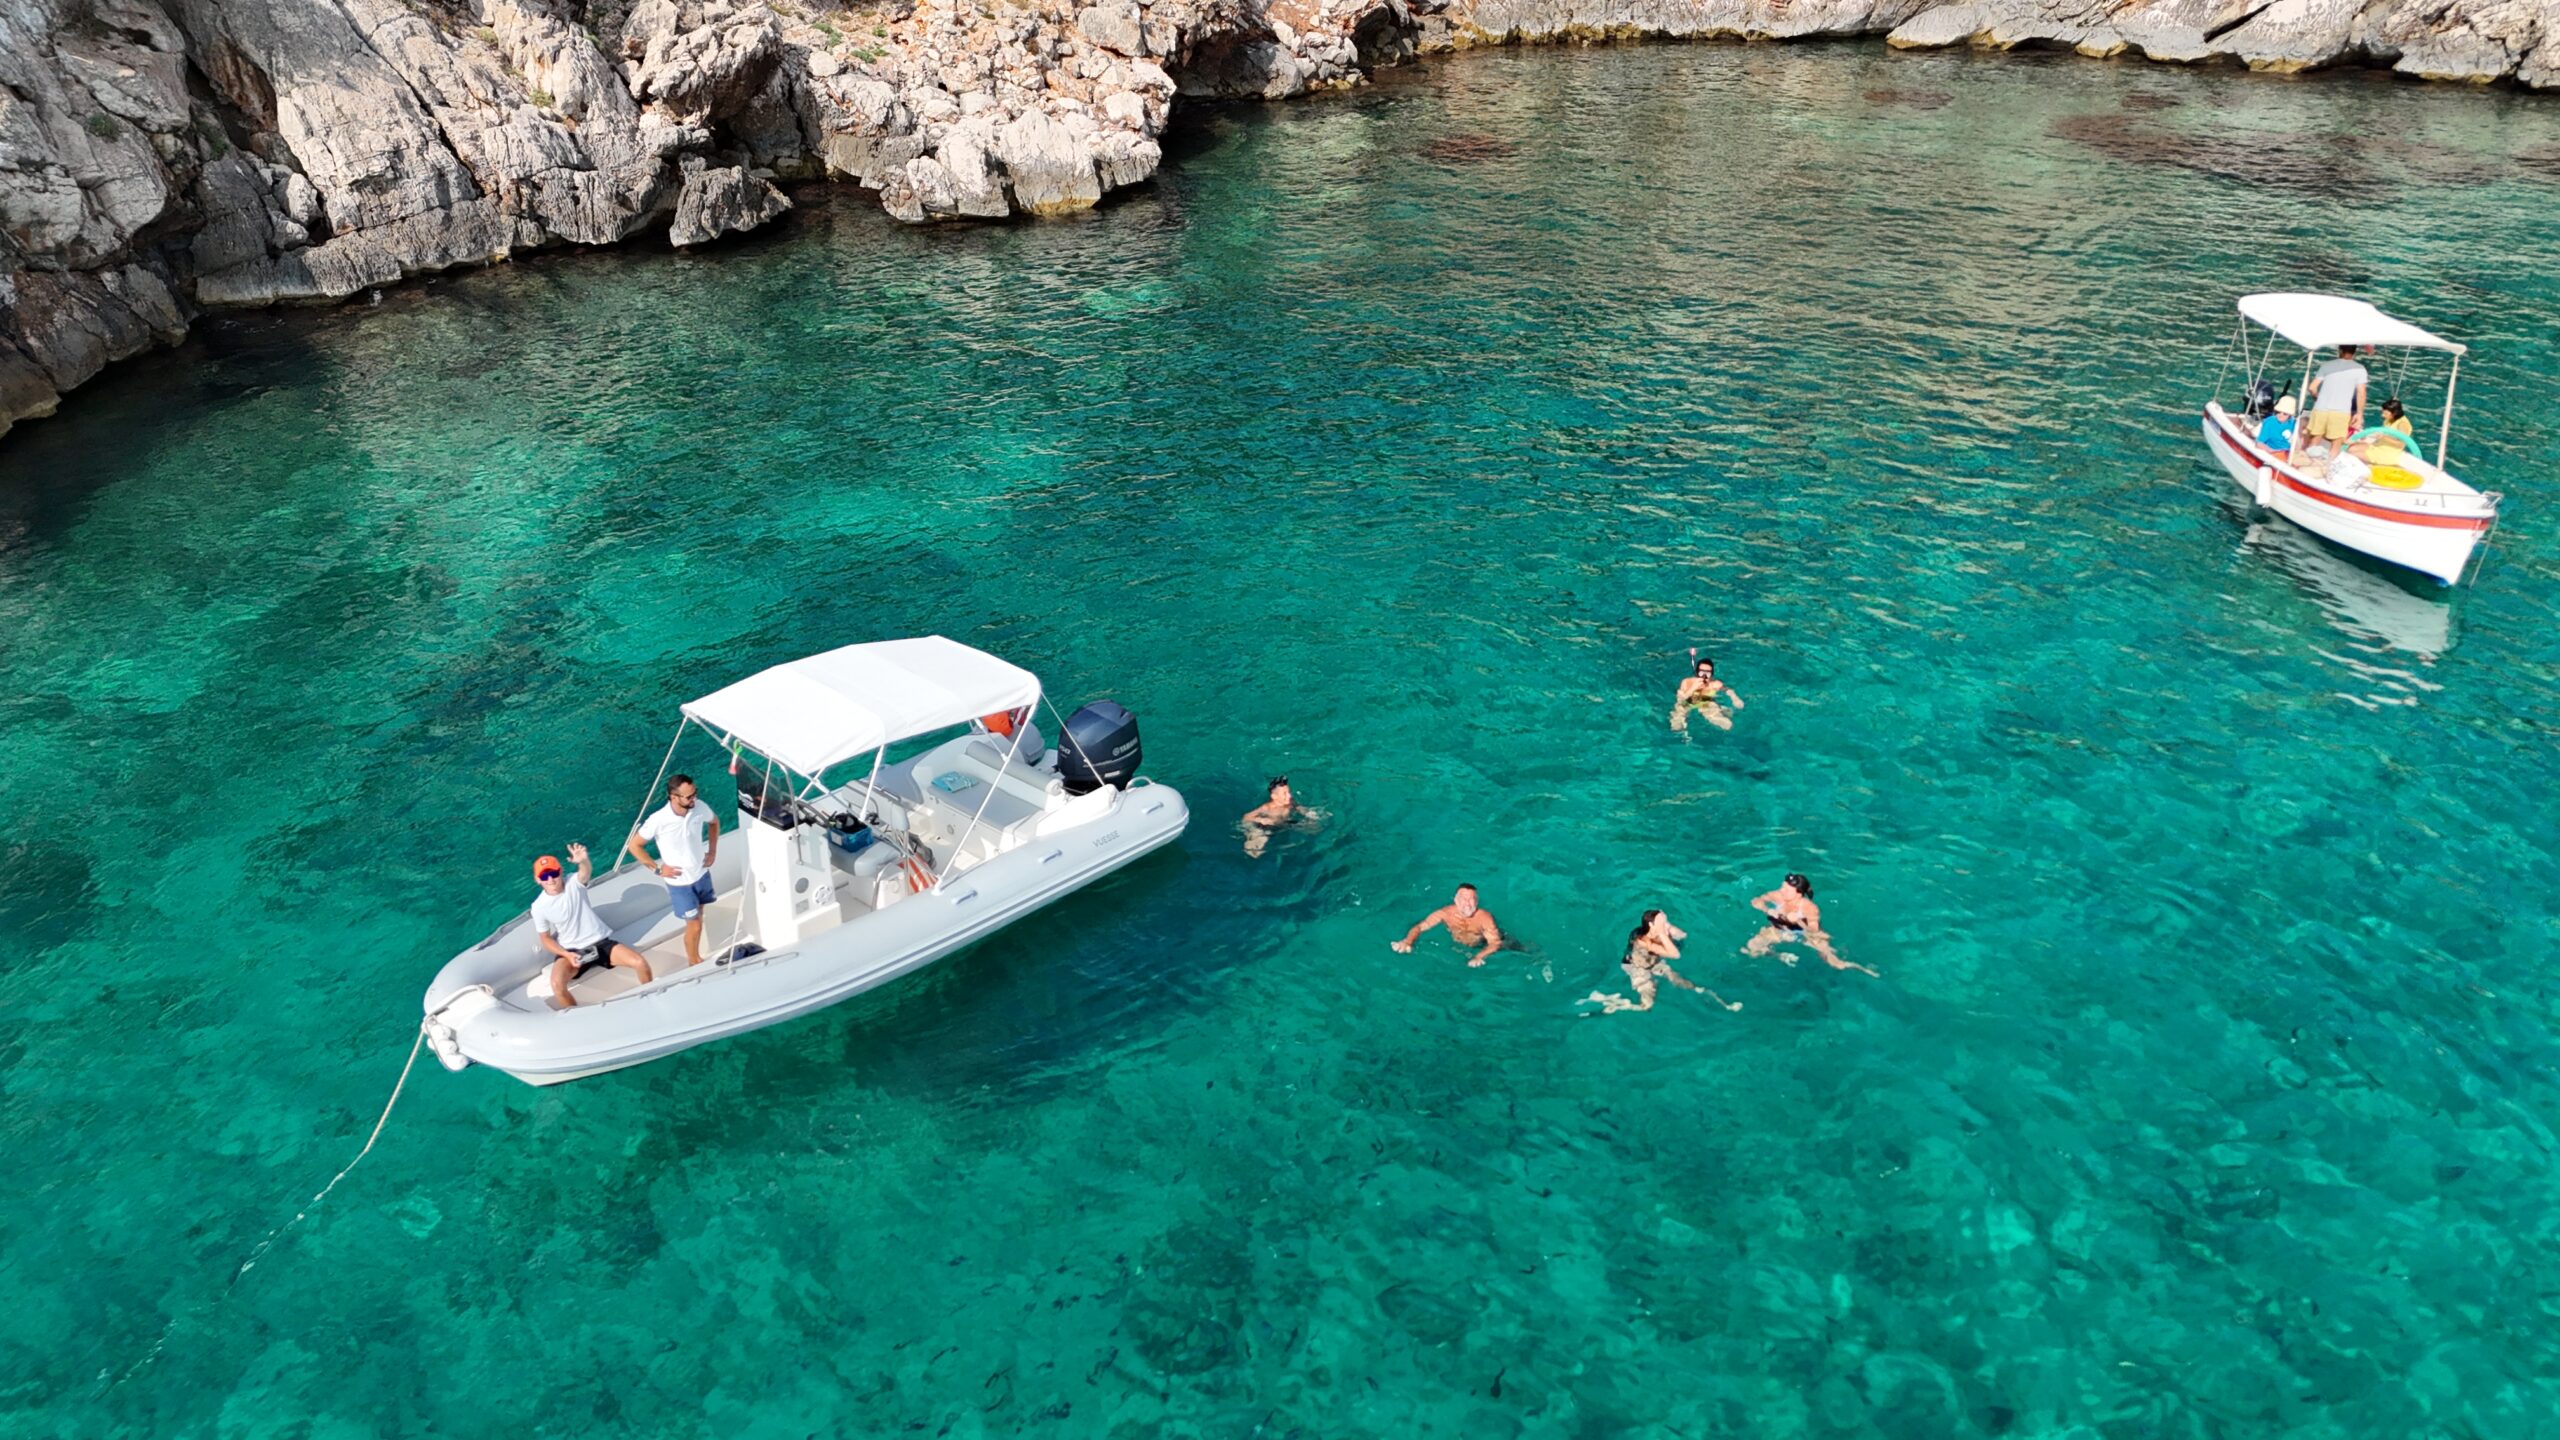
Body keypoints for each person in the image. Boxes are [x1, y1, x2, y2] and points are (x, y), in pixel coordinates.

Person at [530, 844, 651, 1009]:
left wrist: (583, 861)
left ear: (560, 872)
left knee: (640, 963)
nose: (550, 879)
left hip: (600, 943)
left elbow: (584, 873)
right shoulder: (538, 906)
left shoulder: (574, 882)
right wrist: (566, 954)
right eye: (544, 876)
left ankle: (650, 998)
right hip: (571, 951)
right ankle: (578, 1018)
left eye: (553, 873)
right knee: (557, 985)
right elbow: (544, 937)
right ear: (538, 880)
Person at [627, 773, 720, 967]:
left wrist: (712, 851)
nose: (693, 798)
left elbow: (714, 822)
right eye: (688, 796)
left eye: (695, 793)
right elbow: (634, 846)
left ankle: (695, 957)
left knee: (699, 916)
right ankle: (694, 961)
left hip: (701, 874)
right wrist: (658, 869)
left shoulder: (699, 807)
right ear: (673, 797)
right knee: (693, 924)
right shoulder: (658, 819)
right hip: (680, 883)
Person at [1587, 908, 1739, 1013]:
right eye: (1662, 922)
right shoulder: (1643, 941)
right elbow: (1675, 955)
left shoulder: (1655, 931)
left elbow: (1682, 935)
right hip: (1637, 968)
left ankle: (1715, 1000)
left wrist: (1667, 926)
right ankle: (1609, 1001)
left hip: (1654, 963)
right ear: (1652, 925)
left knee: (1684, 983)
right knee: (1647, 1006)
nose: (1666, 925)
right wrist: (1663, 932)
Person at [1744, 873, 1878, 976]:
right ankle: (1780, 956)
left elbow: (1813, 930)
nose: (1782, 890)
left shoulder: (1809, 908)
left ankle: (1863, 968)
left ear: (1798, 893)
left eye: (1786, 889)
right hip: (1779, 930)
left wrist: (1798, 920)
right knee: (1753, 948)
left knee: (1836, 964)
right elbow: (1755, 901)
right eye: (1782, 886)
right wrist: (1767, 909)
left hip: (1804, 934)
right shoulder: (1777, 895)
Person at [1391, 883, 1505, 966]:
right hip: (1461, 944)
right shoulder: (1445, 913)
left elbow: (1495, 943)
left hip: (1483, 943)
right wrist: (1408, 941)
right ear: (1455, 900)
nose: (1467, 903)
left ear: (1477, 901)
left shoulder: (1484, 918)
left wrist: (1478, 957)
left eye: (1472, 899)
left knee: (1518, 949)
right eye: (1463, 899)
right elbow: (1420, 927)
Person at [2296, 345, 2368, 464]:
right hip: (2341, 411)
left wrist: (2317, 398)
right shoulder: (2360, 369)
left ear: (2339, 350)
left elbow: (2312, 387)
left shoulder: (2327, 365)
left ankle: (2309, 463)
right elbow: (2361, 393)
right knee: (2336, 442)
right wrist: (2359, 414)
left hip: (2321, 408)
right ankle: (2328, 466)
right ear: (2355, 352)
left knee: (2316, 437)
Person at [1670, 650, 1746, 733]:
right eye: (1702, 672)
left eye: (1708, 673)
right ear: (1697, 672)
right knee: (1677, 724)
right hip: (1687, 701)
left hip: (1706, 702)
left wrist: (1735, 698)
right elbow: (1681, 699)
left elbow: (1728, 690)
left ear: (1712, 674)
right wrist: (1693, 688)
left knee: (1727, 725)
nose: (1705, 676)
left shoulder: (1715, 684)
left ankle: (1721, 711)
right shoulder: (1687, 682)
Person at [1241, 775, 1306, 858]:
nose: (1289, 796)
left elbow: (1299, 808)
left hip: (1283, 824)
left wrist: (1307, 812)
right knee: (1255, 851)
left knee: (1313, 828)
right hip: (1266, 827)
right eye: (1284, 794)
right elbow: (1246, 816)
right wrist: (1260, 819)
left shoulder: (1290, 802)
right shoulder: (1267, 807)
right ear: (1274, 797)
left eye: (1289, 792)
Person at [2347, 396, 2417, 464]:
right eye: (2382, 412)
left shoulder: (2403, 424)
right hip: (2379, 446)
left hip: (2388, 454)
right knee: (2351, 449)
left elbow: (2401, 444)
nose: (2382, 415)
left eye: (2385, 413)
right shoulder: (2390, 419)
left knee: (2353, 453)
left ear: (2395, 413)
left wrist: (2384, 437)